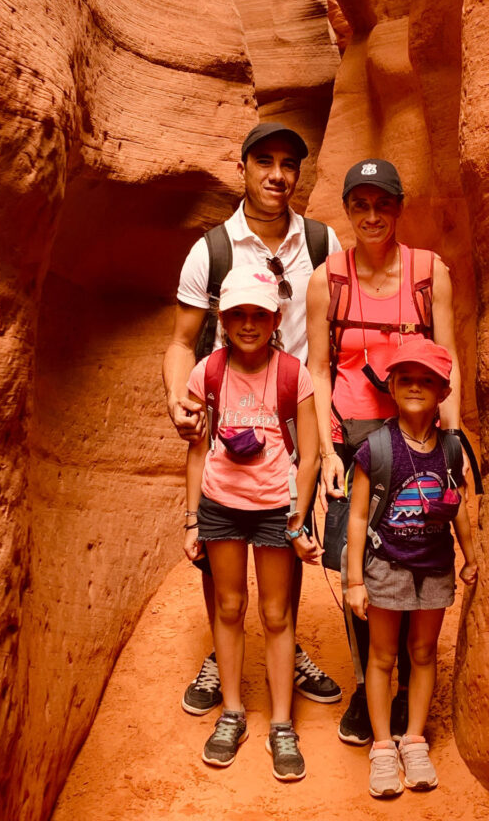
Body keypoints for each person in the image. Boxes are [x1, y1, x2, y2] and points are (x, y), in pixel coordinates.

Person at [163, 122, 342, 715]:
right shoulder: (213, 250)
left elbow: (332, 343)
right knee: (220, 542)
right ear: (242, 166)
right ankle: (225, 652)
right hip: (230, 416)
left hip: (293, 420)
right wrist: (178, 401)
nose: (277, 175)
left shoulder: (320, 244)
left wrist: (329, 431)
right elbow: (181, 341)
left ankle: (285, 647)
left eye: (289, 164)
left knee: (286, 541)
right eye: (264, 161)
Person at [306, 158, 466, 745]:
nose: (371, 216)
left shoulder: (429, 274)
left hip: (418, 436)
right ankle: (368, 680)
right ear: (348, 210)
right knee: (358, 564)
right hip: (354, 441)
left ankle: (401, 690)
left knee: (416, 549)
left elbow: (447, 358)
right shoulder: (329, 279)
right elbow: (319, 370)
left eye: (383, 204)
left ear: (399, 208)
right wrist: (325, 450)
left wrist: (451, 444)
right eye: (360, 205)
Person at [183, 265, 321, 780]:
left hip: (273, 509)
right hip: (220, 505)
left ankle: (282, 724)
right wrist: (191, 519)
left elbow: (307, 456)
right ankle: (233, 713)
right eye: (237, 314)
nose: (247, 324)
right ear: (223, 318)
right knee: (228, 604)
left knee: (277, 612)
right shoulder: (208, 373)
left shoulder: (293, 374)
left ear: (274, 317)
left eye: (257, 314)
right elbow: (197, 453)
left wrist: (298, 518)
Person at [344, 341, 478, 797]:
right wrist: (355, 580)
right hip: (387, 565)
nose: (415, 388)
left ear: (443, 390)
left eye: (426, 381)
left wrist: (471, 556)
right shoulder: (377, 448)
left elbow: (456, 505)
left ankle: (414, 739)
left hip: (435, 566)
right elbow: (358, 517)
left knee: (423, 653)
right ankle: (383, 747)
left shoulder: (451, 448)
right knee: (381, 656)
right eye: (405, 379)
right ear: (391, 386)